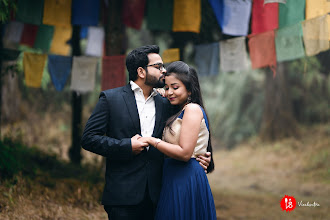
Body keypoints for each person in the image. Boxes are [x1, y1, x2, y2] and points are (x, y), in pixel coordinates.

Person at [80, 45, 211, 220]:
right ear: (141, 71)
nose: (164, 71)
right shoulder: (111, 99)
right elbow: (88, 138)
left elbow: (186, 132)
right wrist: (126, 146)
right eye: (158, 67)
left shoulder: (167, 103)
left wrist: (200, 155)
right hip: (122, 196)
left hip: (160, 194)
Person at [139, 61, 216, 220]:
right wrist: (163, 91)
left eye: (175, 87)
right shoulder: (177, 110)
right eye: (167, 88)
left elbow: (185, 153)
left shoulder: (192, 109)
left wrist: (152, 141)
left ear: (189, 90)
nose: (169, 92)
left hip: (186, 176)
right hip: (172, 175)